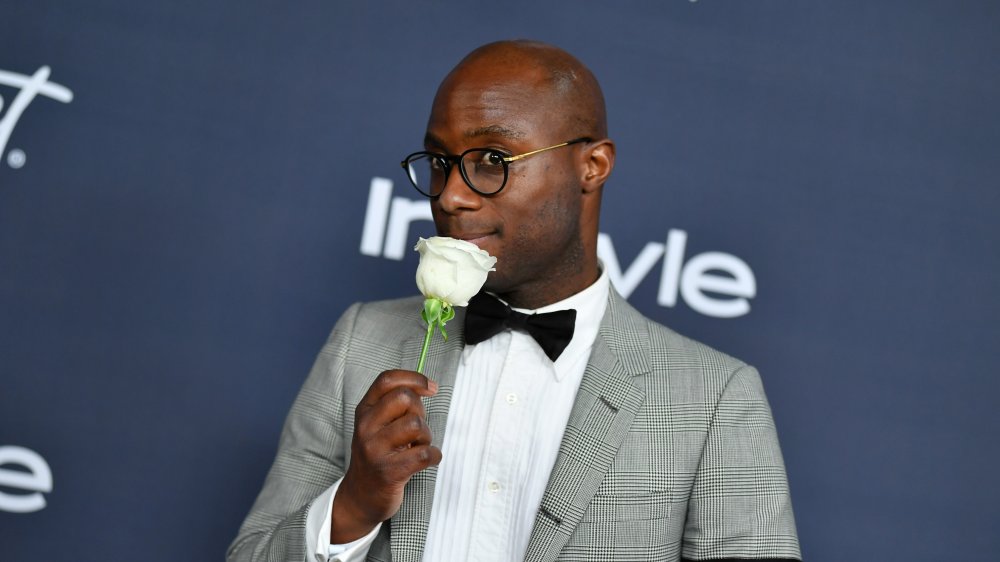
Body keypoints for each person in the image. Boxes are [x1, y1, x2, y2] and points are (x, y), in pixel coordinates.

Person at [228, 40, 801, 562]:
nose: (451, 195)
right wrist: (352, 506)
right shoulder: (362, 342)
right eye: (441, 162)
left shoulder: (714, 398)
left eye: (491, 162)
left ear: (592, 166)